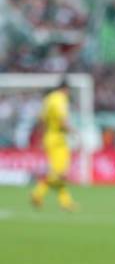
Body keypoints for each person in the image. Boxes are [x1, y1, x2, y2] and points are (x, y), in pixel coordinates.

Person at [30, 78, 77, 211]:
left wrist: (40, 137)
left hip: (49, 136)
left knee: (58, 173)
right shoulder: (60, 100)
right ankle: (37, 193)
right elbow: (63, 121)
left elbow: (41, 119)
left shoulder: (48, 99)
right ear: (65, 89)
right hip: (58, 138)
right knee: (59, 173)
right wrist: (74, 132)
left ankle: (65, 202)